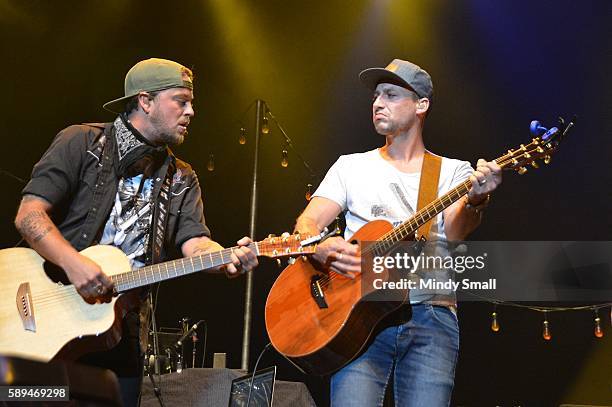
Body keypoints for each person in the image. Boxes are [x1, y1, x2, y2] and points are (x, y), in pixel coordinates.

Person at [14, 58, 258, 406]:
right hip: (47, 314)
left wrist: (224, 258)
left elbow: (196, 243)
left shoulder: (182, 177)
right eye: (181, 101)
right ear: (145, 101)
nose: (190, 112)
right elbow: (28, 215)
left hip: (118, 331)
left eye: (192, 103)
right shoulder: (81, 142)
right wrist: (74, 264)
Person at [294, 59, 502, 406]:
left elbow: (455, 232)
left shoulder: (453, 172)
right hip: (359, 316)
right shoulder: (351, 166)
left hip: (430, 318)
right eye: (376, 95)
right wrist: (321, 245)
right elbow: (307, 224)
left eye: (391, 94)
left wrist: (477, 199)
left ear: (421, 105)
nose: (378, 103)